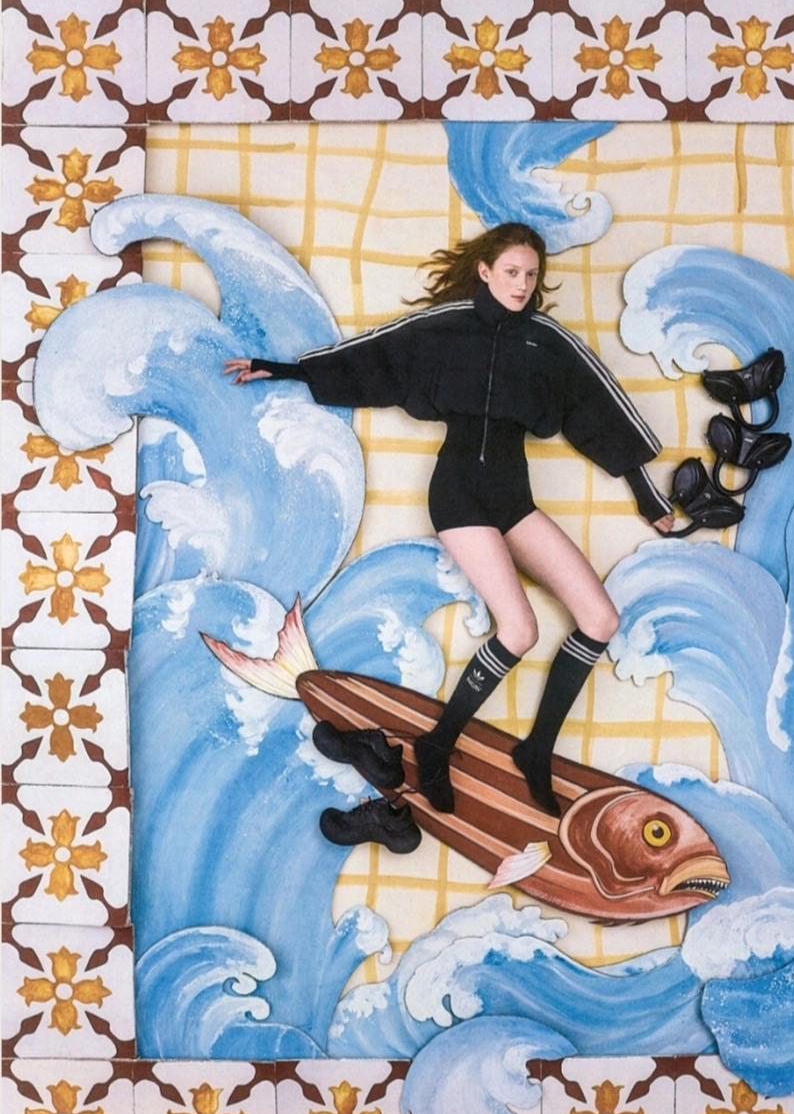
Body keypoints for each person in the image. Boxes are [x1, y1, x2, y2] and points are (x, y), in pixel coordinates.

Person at [224, 222, 673, 836]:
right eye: (511, 272)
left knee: (600, 619)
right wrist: (279, 369)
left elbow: (602, 408)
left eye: (531, 275)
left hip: (513, 500)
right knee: (519, 629)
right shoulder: (446, 326)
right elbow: (372, 354)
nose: (522, 284)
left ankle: (536, 750)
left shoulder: (547, 342)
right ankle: (438, 744)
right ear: (485, 271)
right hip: (459, 496)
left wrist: (648, 497)